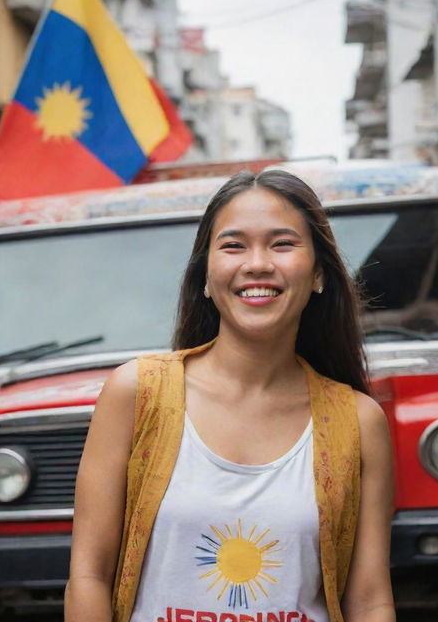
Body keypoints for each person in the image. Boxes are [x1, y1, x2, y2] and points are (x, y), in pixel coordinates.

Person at [65, 170, 395, 622]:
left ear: (318, 273)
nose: (257, 263)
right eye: (234, 245)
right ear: (205, 275)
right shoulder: (136, 394)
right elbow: (89, 576)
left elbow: (370, 598)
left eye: (282, 244)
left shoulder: (359, 422)